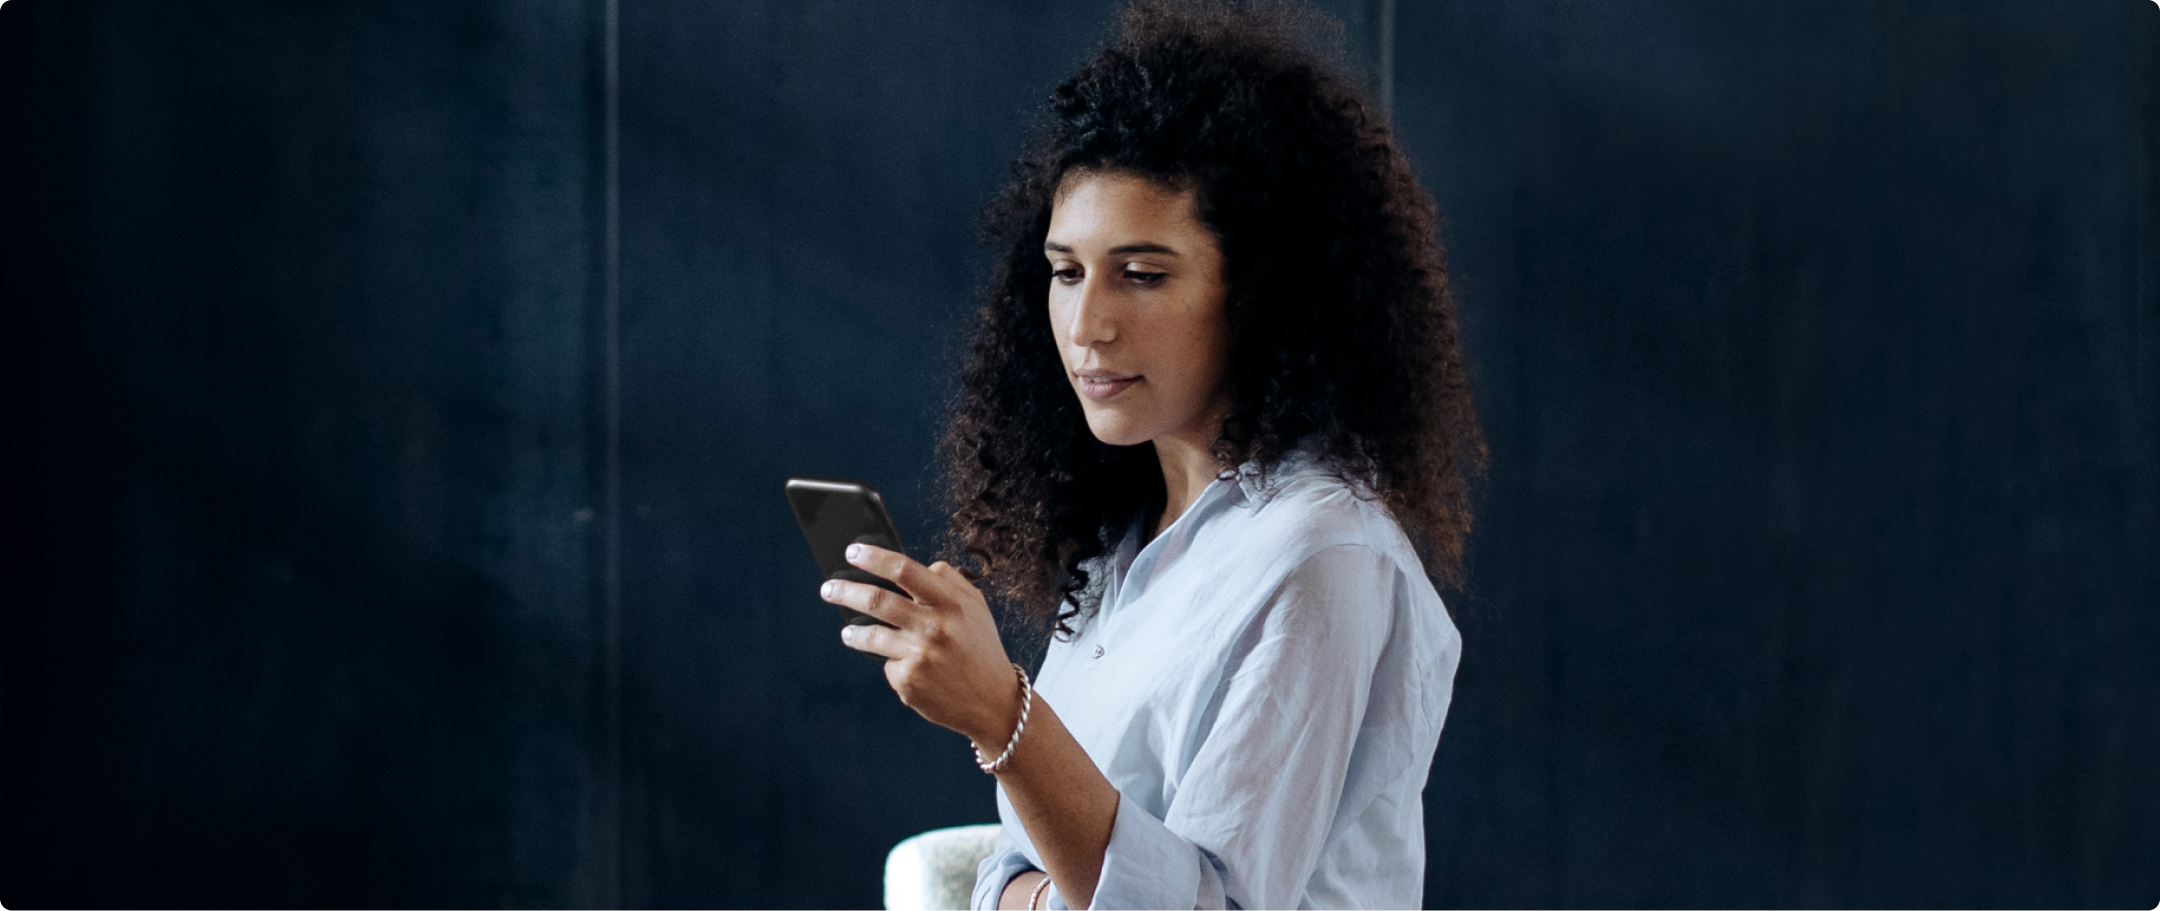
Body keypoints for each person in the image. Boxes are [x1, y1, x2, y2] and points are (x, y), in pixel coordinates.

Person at [817, 2, 1485, 908]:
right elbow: (1018, 870)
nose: (1088, 325)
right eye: (1066, 271)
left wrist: (1002, 715)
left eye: (1143, 274)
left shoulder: (1320, 557)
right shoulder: (1126, 542)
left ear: (1257, 293)